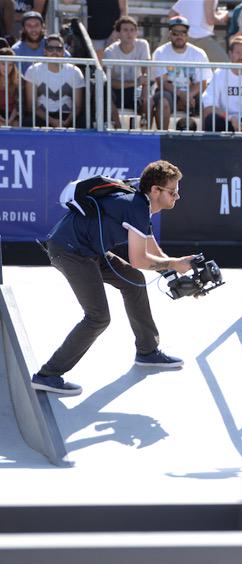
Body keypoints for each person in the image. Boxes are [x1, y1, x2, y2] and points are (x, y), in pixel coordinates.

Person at [31, 161, 196, 397]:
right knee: (98, 317)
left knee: (133, 279)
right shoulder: (137, 206)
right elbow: (139, 258)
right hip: (69, 251)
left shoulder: (140, 205)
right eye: (173, 191)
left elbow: (153, 252)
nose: (177, 196)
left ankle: (148, 351)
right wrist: (174, 265)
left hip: (88, 249)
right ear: (156, 190)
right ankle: (47, 375)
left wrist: (178, 268)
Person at [151, 16, 212, 130]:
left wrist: (188, 96)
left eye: (183, 32)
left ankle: (205, 141)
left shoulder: (198, 54)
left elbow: (203, 83)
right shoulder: (160, 52)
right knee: (163, 102)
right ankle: (163, 138)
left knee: (208, 104)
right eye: (175, 33)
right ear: (169, 34)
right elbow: (162, 83)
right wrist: (182, 95)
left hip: (193, 94)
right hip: (168, 92)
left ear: (187, 34)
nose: (179, 36)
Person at [24, 34, 85, 128]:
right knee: (28, 122)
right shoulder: (33, 70)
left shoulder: (75, 71)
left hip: (67, 116)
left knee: (82, 123)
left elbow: (77, 106)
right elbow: (31, 106)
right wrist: (52, 121)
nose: (55, 52)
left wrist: (66, 122)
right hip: (41, 116)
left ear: (64, 52)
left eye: (59, 49)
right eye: (50, 49)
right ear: (45, 51)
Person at [103, 16, 151, 118]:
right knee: (106, 97)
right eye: (125, 30)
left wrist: (144, 92)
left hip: (135, 91)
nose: (129, 33)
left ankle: (145, 131)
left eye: (132, 30)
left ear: (136, 33)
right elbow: (111, 82)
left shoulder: (143, 45)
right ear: (118, 33)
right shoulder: (110, 51)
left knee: (149, 102)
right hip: (116, 92)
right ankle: (117, 128)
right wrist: (137, 82)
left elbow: (146, 74)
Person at [0, 44, 22, 126]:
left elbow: (18, 105)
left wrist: (9, 121)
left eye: (10, 65)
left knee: (16, 124)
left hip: (12, 115)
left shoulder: (18, 79)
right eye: (3, 64)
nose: (6, 68)